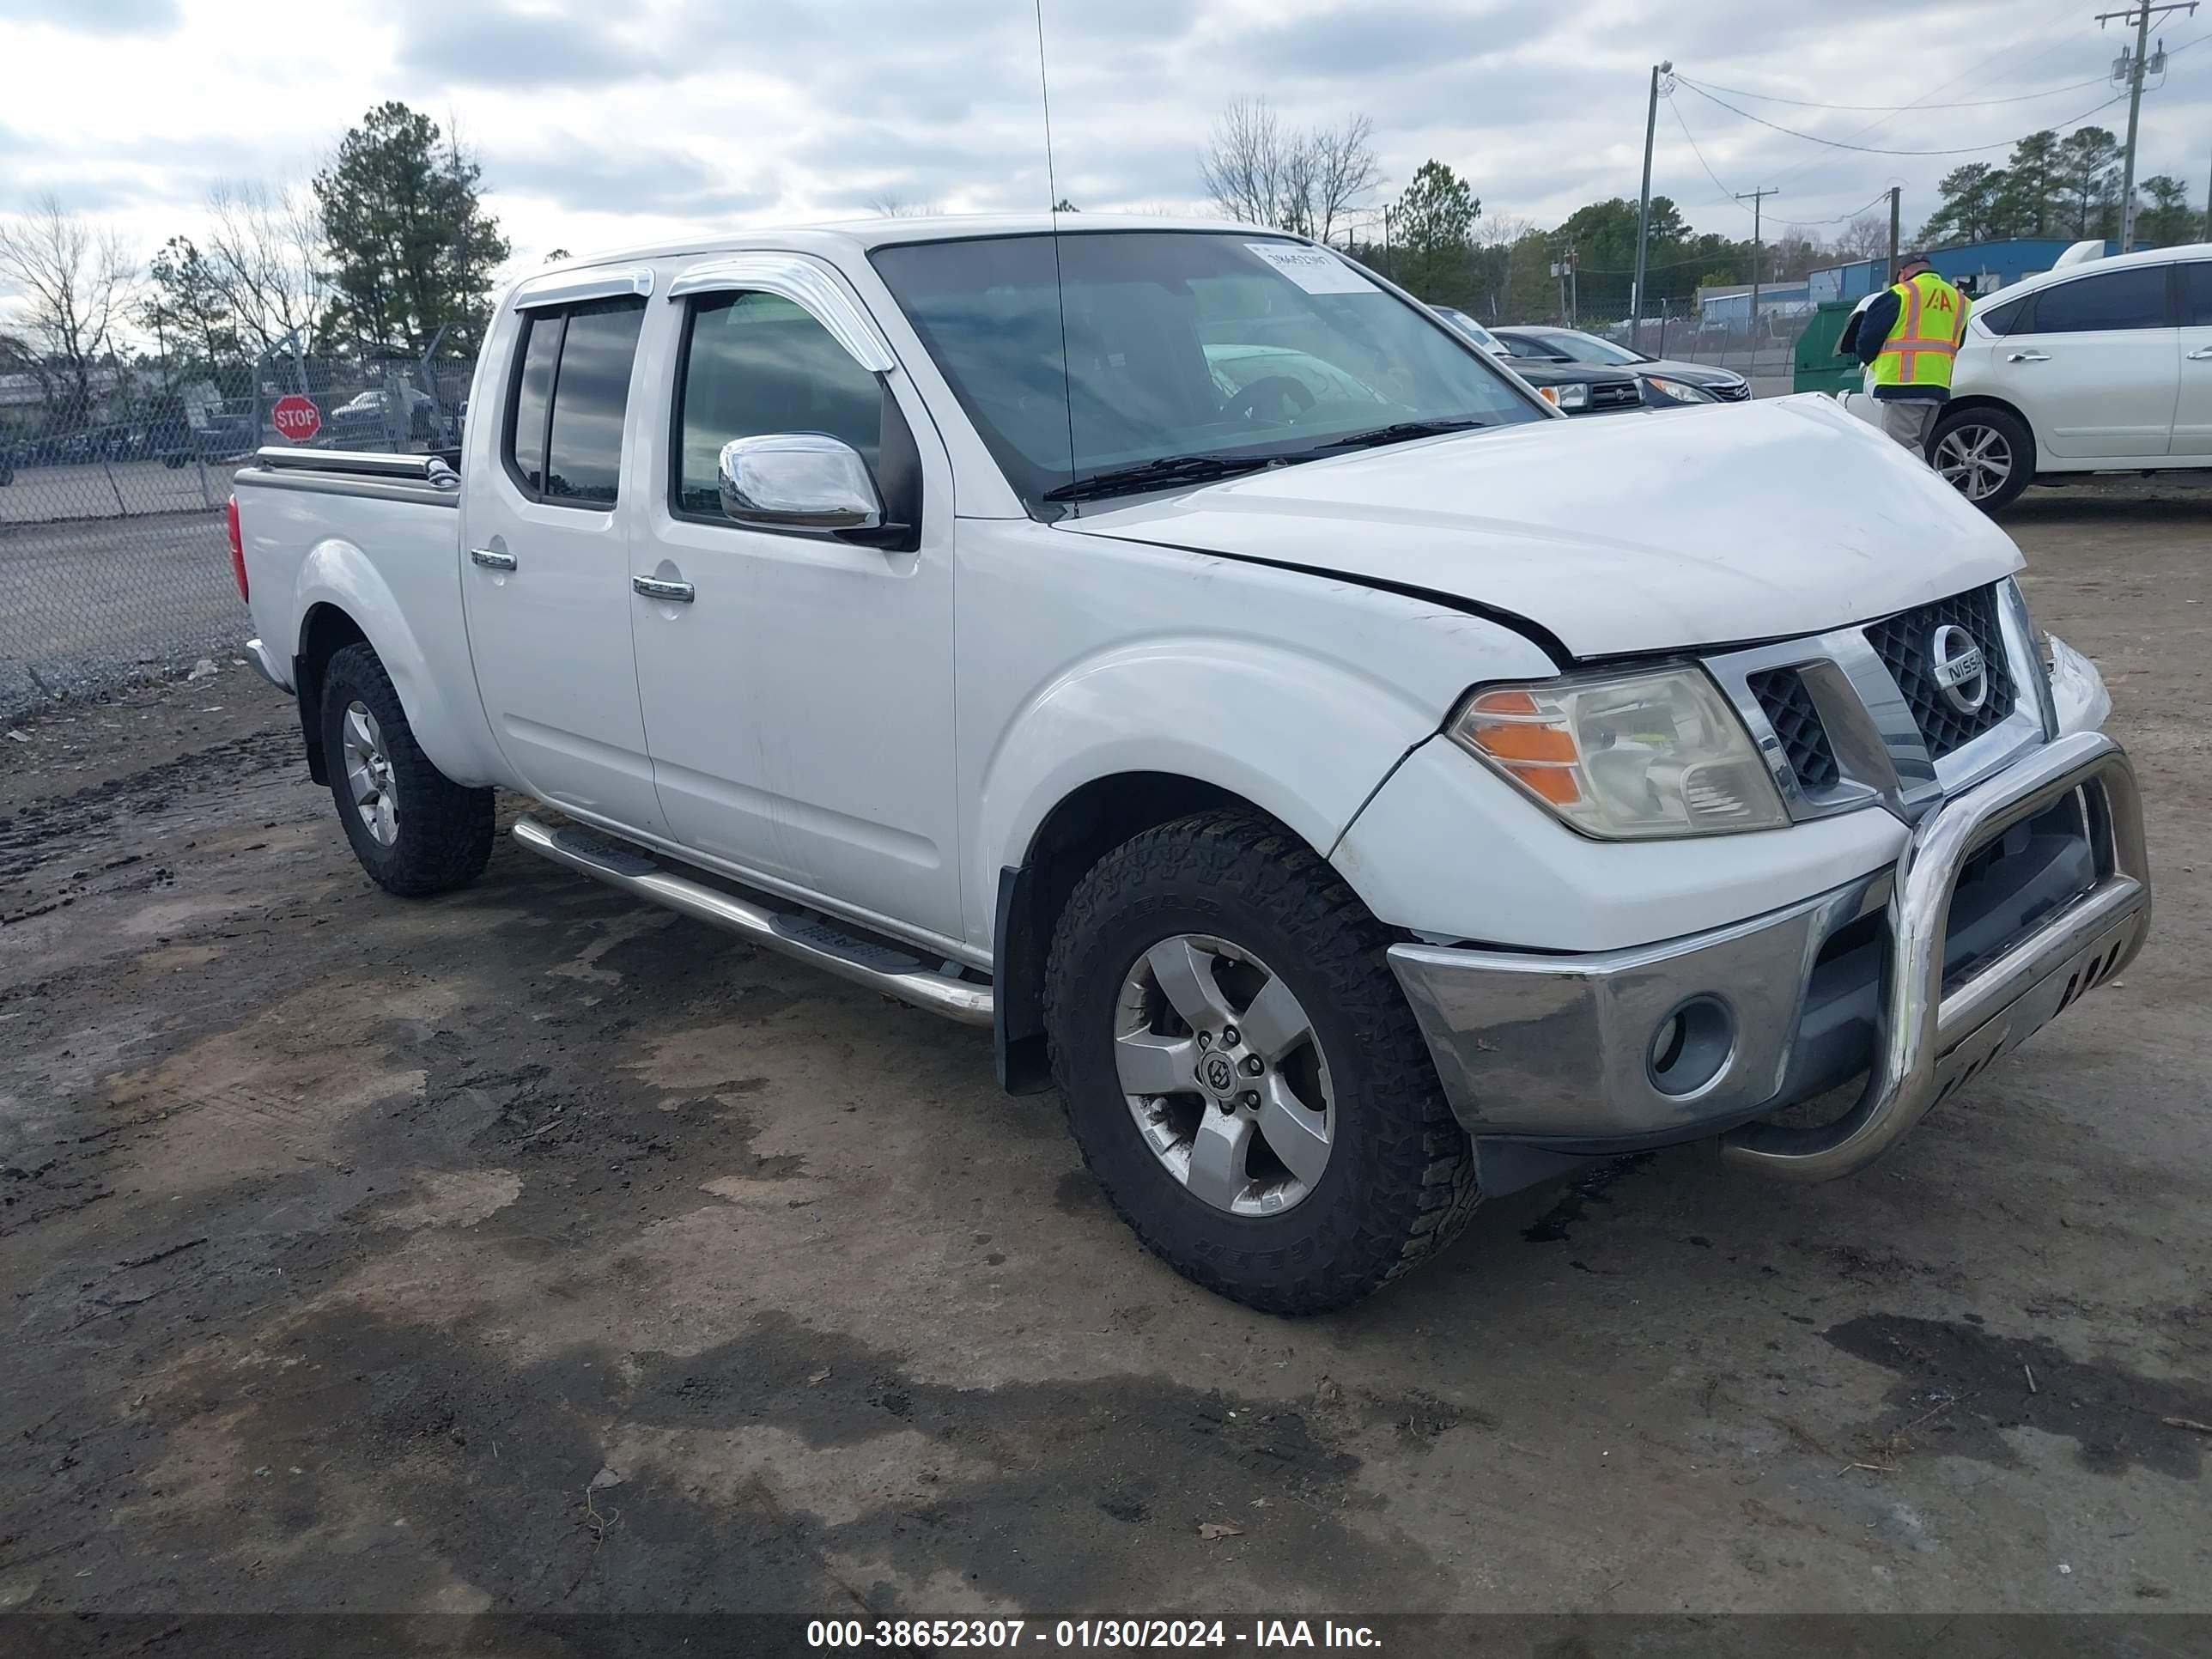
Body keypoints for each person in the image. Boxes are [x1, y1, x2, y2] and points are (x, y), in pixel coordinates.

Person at [1853, 252, 1970, 455]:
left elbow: (1867, 340)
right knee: (1916, 448)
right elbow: (1958, 342)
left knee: (1901, 453)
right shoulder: (1959, 300)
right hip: (1938, 385)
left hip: (1903, 385)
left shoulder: (1900, 294)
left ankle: (1930, 487)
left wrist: (1874, 364)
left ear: (1903, 273)